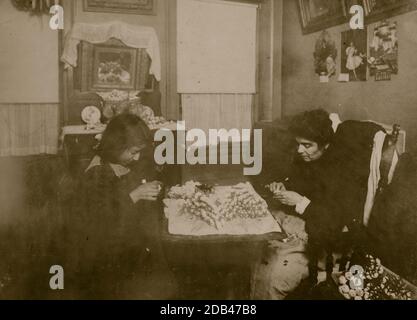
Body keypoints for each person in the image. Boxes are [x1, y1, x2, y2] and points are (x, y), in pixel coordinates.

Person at [251, 109, 385, 299]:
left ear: (326, 145)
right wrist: (283, 186)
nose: (300, 150)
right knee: (256, 249)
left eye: (307, 145)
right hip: (300, 227)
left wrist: (301, 203)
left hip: (323, 242)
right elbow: (299, 184)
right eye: (298, 144)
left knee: (271, 271)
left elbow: (335, 222)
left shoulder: (342, 172)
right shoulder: (308, 160)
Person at [67, 114, 177, 299]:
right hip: (104, 257)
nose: (137, 157)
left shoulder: (118, 162)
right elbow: (99, 221)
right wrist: (135, 195)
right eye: (133, 152)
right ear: (115, 146)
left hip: (126, 243)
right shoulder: (96, 173)